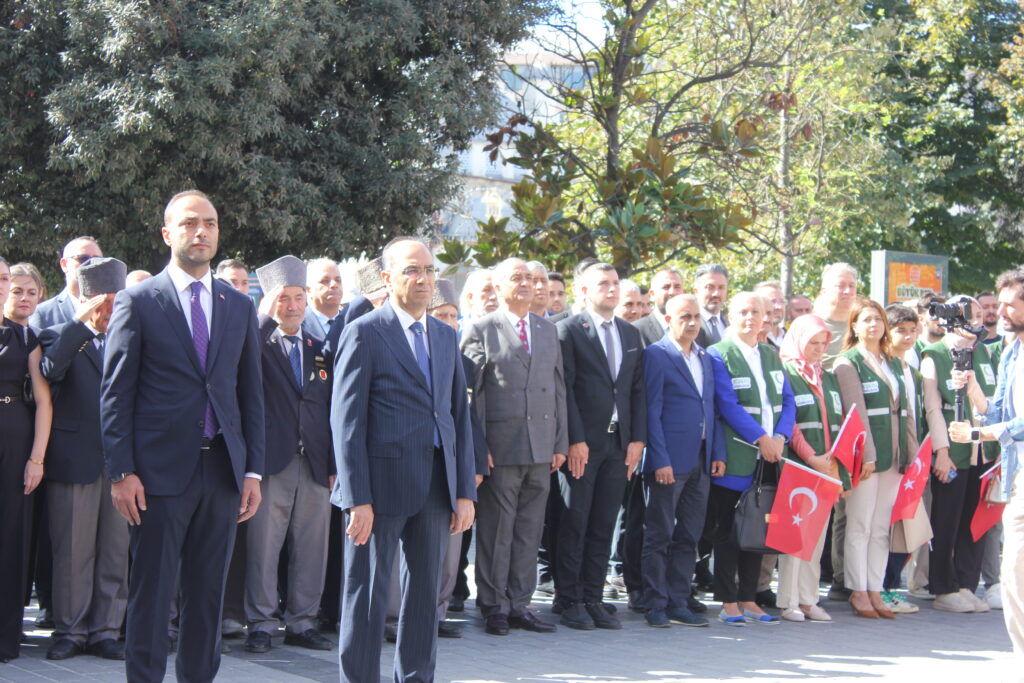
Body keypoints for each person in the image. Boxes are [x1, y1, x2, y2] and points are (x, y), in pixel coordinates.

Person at [100, 190, 265, 682]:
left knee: (208, 595)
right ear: (167, 233)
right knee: (152, 593)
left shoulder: (239, 305)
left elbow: (249, 394)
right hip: (156, 475)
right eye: (190, 223)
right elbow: (116, 393)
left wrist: (252, 471)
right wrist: (121, 471)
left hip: (222, 471)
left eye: (210, 223)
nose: (201, 232)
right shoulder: (138, 300)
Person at [332, 237, 476, 683]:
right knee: (367, 595)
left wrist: (463, 491)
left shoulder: (445, 335)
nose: (424, 279)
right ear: (387, 277)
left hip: (435, 486)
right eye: (412, 270)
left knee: (424, 597)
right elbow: (347, 421)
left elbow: (457, 417)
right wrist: (357, 498)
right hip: (378, 489)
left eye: (429, 270)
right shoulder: (365, 331)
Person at [461, 258, 567, 636]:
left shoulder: (546, 329)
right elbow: (471, 396)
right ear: (498, 286)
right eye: (515, 278)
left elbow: (558, 388)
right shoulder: (480, 328)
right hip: (501, 448)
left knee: (529, 530)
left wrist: (560, 441)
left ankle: (520, 603)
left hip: (542, 447)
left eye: (528, 278)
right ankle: (494, 606)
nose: (525, 283)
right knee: (497, 530)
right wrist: (479, 447)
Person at [38, 257, 130, 661]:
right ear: (88, 299)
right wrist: (81, 326)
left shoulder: (131, 337)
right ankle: (70, 631)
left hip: (122, 463)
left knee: (114, 551)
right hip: (75, 460)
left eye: (117, 300)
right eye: (104, 301)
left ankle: (106, 630)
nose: (111, 309)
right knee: (73, 553)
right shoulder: (59, 334)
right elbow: (49, 370)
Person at [243, 256, 335, 654]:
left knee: (312, 547)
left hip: (313, 462)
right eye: (284, 298)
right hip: (271, 463)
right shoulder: (257, 342)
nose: (293, 306)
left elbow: (330, 408)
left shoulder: (319, 348)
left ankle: (302, 621)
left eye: (299, 297)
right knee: (263, 546)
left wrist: (333, 464)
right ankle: (261, 623)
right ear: (269, 300)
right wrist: (263, 318)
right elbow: (239, 364)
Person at [554, 262, 646, 631]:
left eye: (615, 283)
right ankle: (569, 598)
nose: (611, 289)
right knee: (575, 521)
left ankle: (592, 596)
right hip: (584, 444)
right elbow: (565, 390)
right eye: (603, 283)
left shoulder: (629, 332)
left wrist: (637, 439)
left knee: (604, 522)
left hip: (618, 443)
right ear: (583, 291)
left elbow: (636, 389)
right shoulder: (568, 330)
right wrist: (574, 439)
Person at [707, 292, 793, 626]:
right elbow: (727, 404)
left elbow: (788, 400)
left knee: (758, 527)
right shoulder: (719, 354)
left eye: (756, 312)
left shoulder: (771, 354)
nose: (750, 318)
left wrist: (780, 437)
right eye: (743, 311)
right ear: (731, 315)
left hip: (771, 457)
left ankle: (749, 598)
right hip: (738, 455)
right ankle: (728, 600)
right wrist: (761, 438)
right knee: (729, 530)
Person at [949, 266, 1024, 653]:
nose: (1001, 312)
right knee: (1014, 576)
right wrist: (972, 384)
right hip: (1017, 476)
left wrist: (979, 435)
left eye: (1011, 305)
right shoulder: (1011, 352)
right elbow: (995, 412)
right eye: (1002, 303)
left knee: (1015, 571)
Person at [640, 294, 723, 628]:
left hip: (701, 460)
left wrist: (717, 453)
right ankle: (655, 602)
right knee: (659, 533)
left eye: (696, 316)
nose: (692, 322)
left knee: (689, 534)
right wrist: (659, 459)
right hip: (669, 461)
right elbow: (652, 410)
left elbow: (711, 408)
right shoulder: (656, 355)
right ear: (668, 319)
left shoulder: (704, 356)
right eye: (684, 316)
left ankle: (678, 599)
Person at [832, 297, 917, 619]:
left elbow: (906, 411)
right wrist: (866, 455)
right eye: (866, 319)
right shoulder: (848, 362)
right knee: (859, 525)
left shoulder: (892, 361)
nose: (874, 325)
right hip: (866, 458)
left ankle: (874, 587)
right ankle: (857, 589)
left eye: (878, 319)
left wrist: (911, 454)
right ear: (854, 326)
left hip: (895, 455)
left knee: (881, 528)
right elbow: (856, 413)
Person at [921, 295, 999, 614]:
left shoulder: (985, 353)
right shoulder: (935, 354)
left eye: (980, 313)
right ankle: (943, 587)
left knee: (974, 520)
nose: (977, 319)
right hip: (954, 451)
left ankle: (967, 583)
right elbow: (932, 407)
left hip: (983, 449)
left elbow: (991, 402)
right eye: (970, 314)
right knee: (947, 520)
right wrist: (941, 451)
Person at [429, 279, 488, 639]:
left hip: (455, 468)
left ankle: (437, 613)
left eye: (454, 316)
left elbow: (470, 419)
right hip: (422, 465)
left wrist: (475, 466)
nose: (450, 323)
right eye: (442, 315)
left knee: (451, 552)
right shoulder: (416, 353)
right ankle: (399, 617)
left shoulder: (463, 361)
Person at [0, 256, 51, 663]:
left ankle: (5, 635)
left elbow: (45, 402)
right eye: (10, 286)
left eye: (27, 290)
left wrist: (37, 458)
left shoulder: (30, 339)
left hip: (16, 440)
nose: (16, 294)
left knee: (12, 533)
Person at [776, 313, 842, 623]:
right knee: (794, 536)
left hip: (826, 466)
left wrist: (834, 463)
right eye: (813, 342)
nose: (818, 348)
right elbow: (790, 422)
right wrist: (812, 456)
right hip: (799, 465)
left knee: (816, 536)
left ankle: (808, 598)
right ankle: (788, 600)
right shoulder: (786, 371)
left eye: (823, 343)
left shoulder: (827, 376)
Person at [811, 262, 858, 600]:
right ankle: (803, 584)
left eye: (851, 286)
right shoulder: (812, 325)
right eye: (840, 285)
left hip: (854, 426)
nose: (846, 291)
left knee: (848, 505)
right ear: (824, 289)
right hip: (818, 427)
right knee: (815, 504)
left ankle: (843, 578)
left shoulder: (860, 324)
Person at [880, 304, 925, 614]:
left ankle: (892, 585)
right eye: (901, 331)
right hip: (892, 459)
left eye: (912, 331)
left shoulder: (913, 371)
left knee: (906, 527)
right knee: (884, 527)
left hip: (912, 459)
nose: (908, 337)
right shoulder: (885, 367)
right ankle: (881, 586)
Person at [31, 236, 104, 329]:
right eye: (83, 258)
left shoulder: (114, 308)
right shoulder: (43, 314)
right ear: (64, 265)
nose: (91, 264)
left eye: (97, 260)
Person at [635, 269, 684, 347]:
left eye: (677, 287)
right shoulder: (637, 330)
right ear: (652, 294)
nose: (672, 292)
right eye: (666, 287)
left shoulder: (695, 329)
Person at [694, 264, 729, 348]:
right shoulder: (688, 324)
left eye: (721, 287)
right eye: (710, 287)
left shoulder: (730, 325)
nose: (716, 293)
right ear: (696, 291)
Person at [5, 263, 44, 328]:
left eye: (32, 293)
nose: (25, 298)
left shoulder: (40, 334)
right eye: (17, 292)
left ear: (40, 294)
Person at [754, 280, 787, 349]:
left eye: (782, 302)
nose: (779, 307)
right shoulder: (750, 339)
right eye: (772, 301)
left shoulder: (790, 337)